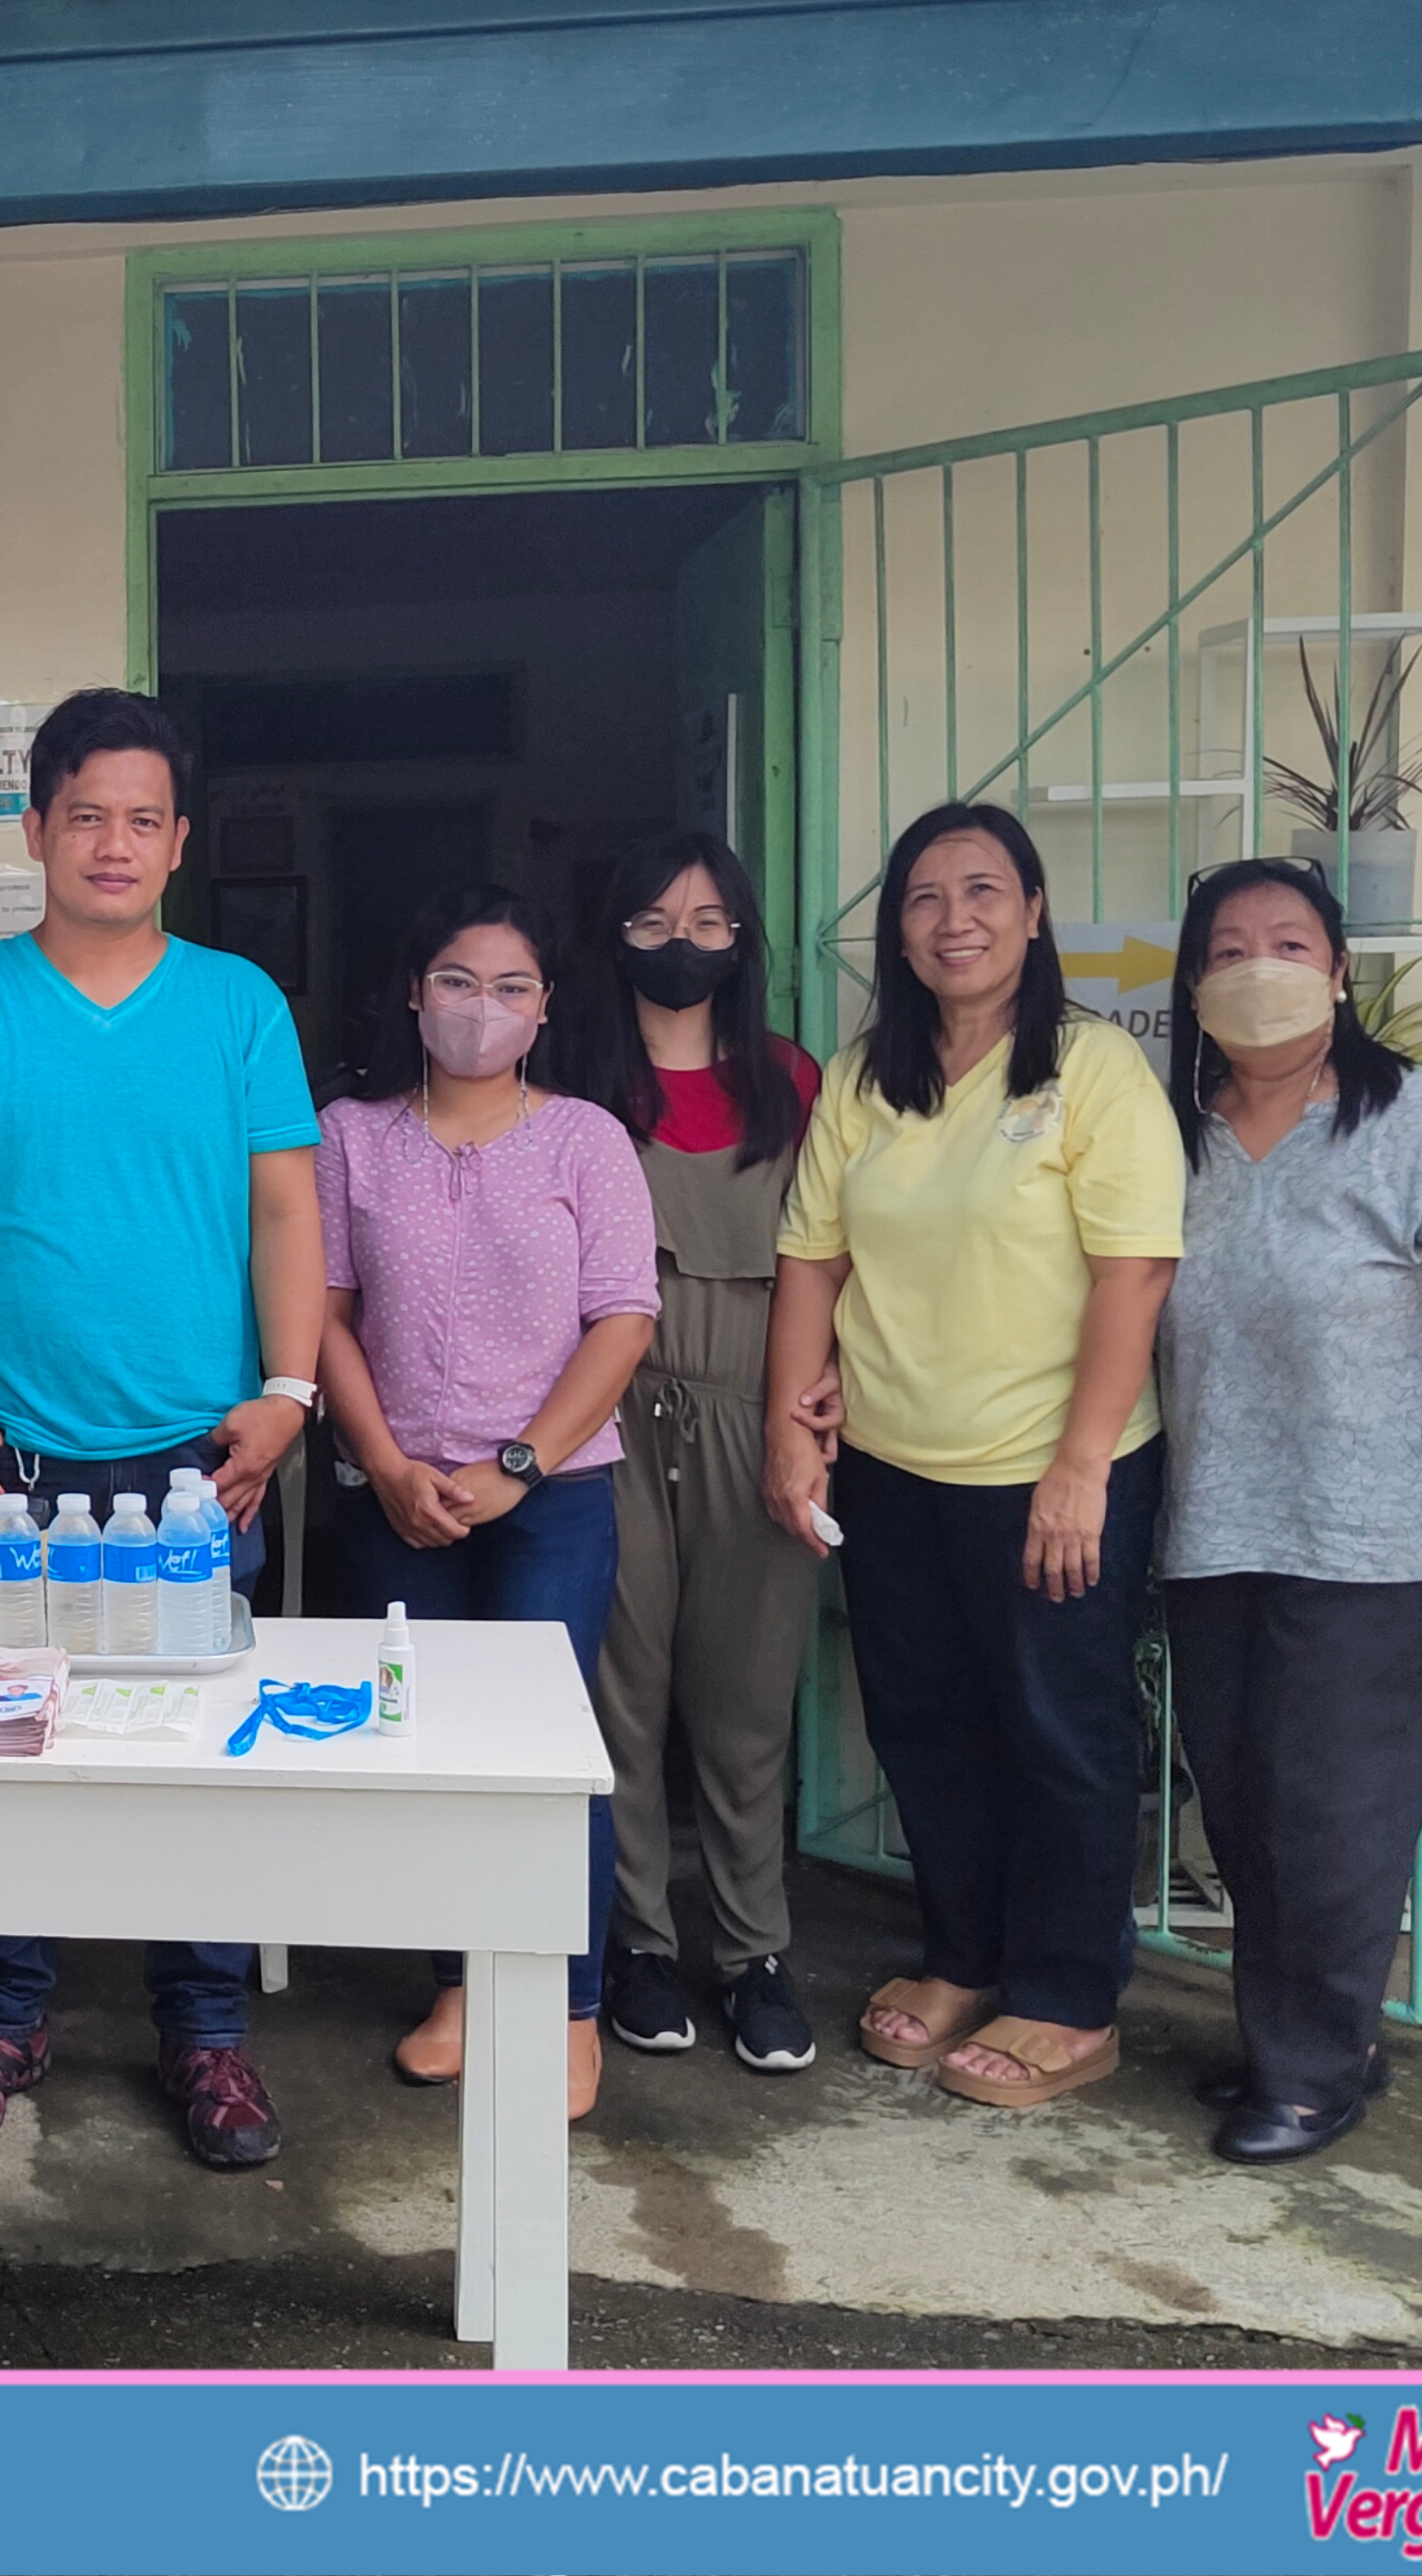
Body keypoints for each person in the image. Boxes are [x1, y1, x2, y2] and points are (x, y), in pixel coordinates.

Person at [0, 686, 324, 2170]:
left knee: (198, 1752)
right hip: (3, 1471)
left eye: (142, 819)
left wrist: (291, 1393)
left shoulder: (239, 1006)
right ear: (37, 828)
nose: (113, 844)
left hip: (201, 1462)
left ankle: (206, 2035)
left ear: (180, 840)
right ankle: (6, 2009)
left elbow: (284, 1214)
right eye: (86, 816)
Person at [1158, 858, 1422, 2162]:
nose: (1259, 968)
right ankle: (1310, 2038)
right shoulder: (1180, 1139)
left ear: (1341, 975)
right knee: (1243, 1809)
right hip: (1217, 1531)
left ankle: (1309, 2072)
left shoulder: (1421, 1125)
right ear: (1191, 982)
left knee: (1333, 1815)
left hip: (1383, 1545)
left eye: (1290, 943)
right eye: (1228, 948)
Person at [764, 802, 1183, 2109]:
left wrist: (1082, 1466)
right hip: (891, 1466)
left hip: (1048, 1470)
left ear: (1036, 911)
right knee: (927, 1721)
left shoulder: (1091, 1070)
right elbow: (809, 1258)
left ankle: (1066, 1996)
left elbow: (1135, 1272)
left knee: (1060, 1731)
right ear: (898, 929)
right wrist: (792, 1423)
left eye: (984, 890)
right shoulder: (863, 1077)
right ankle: (964, 1956)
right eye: (927, 898)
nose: (956, 920)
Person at [316, 884, 655, 2109]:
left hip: (549, 1494)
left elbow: (623, 1316)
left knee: (550, 1751)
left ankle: (568, 2004)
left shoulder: (585, 1140)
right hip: (397, 1493)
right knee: (431, 1749)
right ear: (415, 994)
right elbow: (325, 1314)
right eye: (457, 981)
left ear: (546, 1007)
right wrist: (389, 1462)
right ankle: (463, 1980)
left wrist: (517, 1466)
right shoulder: (349, 1134)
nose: (481, 1007)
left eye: (511, 987)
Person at [573, 831, 829, 2076]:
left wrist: (813, 1402)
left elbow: (830, 1261)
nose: (684, 943)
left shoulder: (790, 1081)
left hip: (754, 1405)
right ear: (613, 929)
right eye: (657, 918)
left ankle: (755, 1953)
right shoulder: (570, 1076)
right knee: (621, 1693)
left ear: (744, 940)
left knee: (746, 1701)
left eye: (712, 921)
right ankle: (636, 1942)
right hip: (603, 1414)